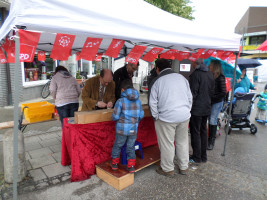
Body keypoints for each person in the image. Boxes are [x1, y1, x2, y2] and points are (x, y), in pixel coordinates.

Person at [149, 58, 192, 177]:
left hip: (166, 117)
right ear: (170, 66)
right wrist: (187, 110)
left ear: (158, 69)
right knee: (182, 141)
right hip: (184, 115)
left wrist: (156, 116)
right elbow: (190, 98)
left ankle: (168, 169)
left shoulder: (157, 81)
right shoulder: (182, 78)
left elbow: (153, 102)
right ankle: (184, 167)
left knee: (167, 143)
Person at [111, 79, 144, 173]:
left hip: (122, 130)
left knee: (118, 145)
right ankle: (131, 166)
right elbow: (141, 115)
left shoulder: (120, 101)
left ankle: (114, 164)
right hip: (133, 129)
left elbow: (115, 116)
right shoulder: (138, 101)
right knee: (130, 146)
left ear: (122, 90)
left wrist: (113, 118)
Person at [189, 58, 214, 164]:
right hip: (207, 107)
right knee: (203, 132)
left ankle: (196, 157)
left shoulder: (196, 75)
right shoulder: (210, 74)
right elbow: (212, 91)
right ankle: (203, 156)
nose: (191, 65)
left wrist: (189, 106)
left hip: (196, 108)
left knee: (196, 132)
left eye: (192, 63)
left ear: (195, 64)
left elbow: (193, 93)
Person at [207, 60, 226, 150]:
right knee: (210, 120)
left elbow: (223, 92)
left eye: (210, 65)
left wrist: (213, 97)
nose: (209, 66)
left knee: (212, 120)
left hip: (217, 102)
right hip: (212, 101)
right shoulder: (212, 76)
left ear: (215, 66)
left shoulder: (220, 77)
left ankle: (211, 141)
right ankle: (209, 139)